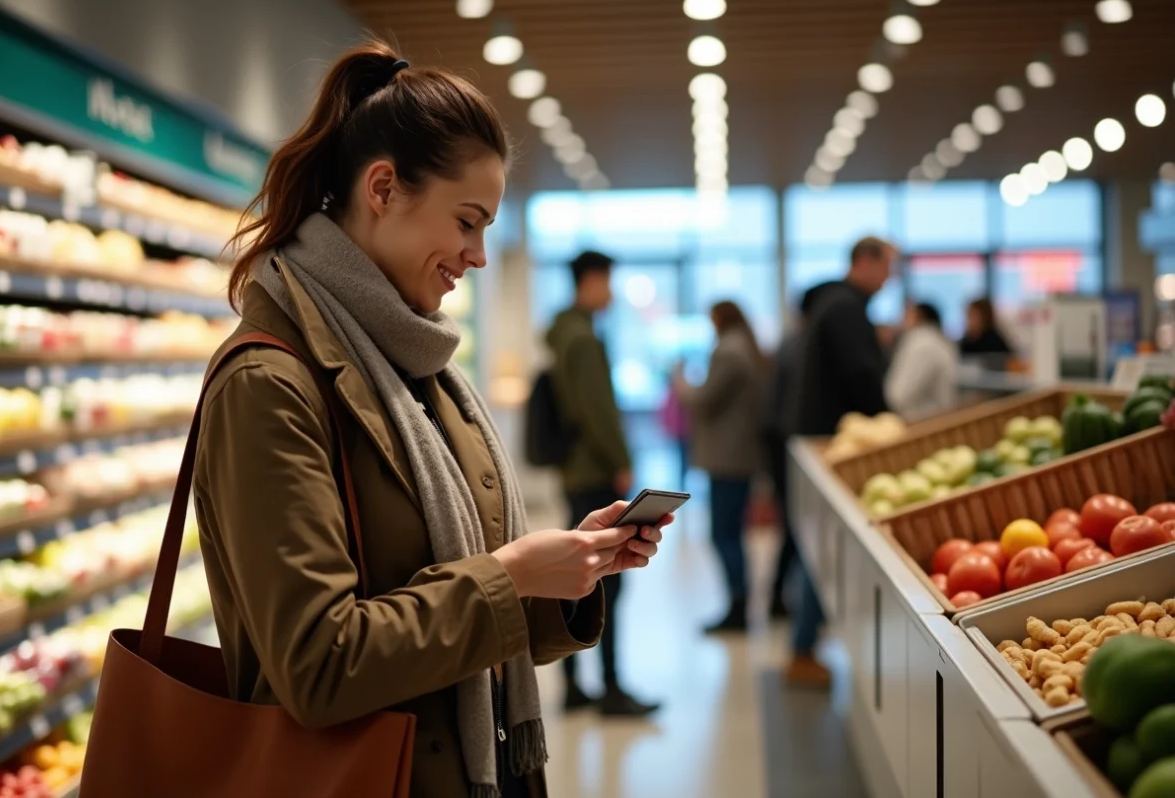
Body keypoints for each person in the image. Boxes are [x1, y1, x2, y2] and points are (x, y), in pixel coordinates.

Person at [196, 41, 671, 798]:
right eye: (468, 221)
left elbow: (468, 603)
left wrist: (569, 574)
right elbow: (320, 663)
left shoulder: (423, 369)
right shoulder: (269, 384)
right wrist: (510, 576)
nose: (478, 255)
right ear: (383, 187)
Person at [546, 251, 659, 717]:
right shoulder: (583, 340)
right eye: (608, 282)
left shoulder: (562, 334)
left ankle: (574, 684)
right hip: (594, 470)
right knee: (607, 581)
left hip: (575, 469)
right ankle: (611, 688)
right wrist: (622, 460)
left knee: (579, 571)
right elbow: (596, 411)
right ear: (590, 281)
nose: (611, 292)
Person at [784, 235, 896, 687]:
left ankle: (803, 644)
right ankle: (803, 647)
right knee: (823, 550)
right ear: (865, 263)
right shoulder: (846, 308)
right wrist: (887, 422)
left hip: (818, 439)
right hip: (833, 441)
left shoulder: (831, 303)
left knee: (816, 546)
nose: (889, 278)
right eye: (887, 266)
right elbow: (861, 375)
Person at [674, 301, 763, 632]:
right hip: (737, 456)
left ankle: (738, 606)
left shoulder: (728, 351)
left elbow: (703, 400)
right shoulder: (744, 346)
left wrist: (682, 384)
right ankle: (738, 603)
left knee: (724, 534)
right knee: (731, 532)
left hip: (729, 458)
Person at [762, 284, 828, 619]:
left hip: (780, 447)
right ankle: (785, 601)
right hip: (791, 449)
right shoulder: (803, 347)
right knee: (798, 529)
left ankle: (779, 596)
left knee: (793, 527)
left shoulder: (790, 344)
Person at [885, 301, 958, 419]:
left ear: (919, 317)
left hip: (921, 423)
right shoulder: (936, 340)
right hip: (935, 418)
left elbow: (899, 395)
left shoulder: (921, 344)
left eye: (907, 315)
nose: (902, 320)